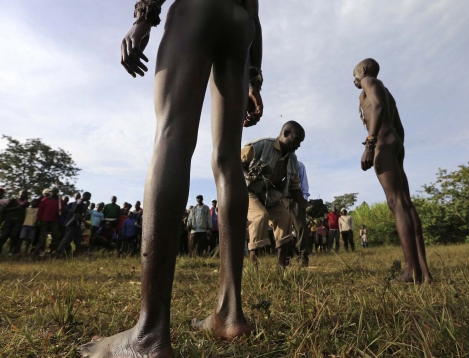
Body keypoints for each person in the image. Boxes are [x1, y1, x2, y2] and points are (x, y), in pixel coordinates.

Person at [79, 0, 262, 354]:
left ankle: (148, 333)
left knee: (172, 136)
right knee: (227, 159)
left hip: (199, 9)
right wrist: (254, 76)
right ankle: (230, 312)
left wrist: (143, 18)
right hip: (242, 27)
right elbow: (254, 13)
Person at [354, 58, 433, 283]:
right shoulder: (387, 91)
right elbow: (399, 127)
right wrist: (397, 148)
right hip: (394, 144)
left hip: (383, 145)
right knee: (405, 203)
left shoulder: (369, 81)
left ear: (364, 69)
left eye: (355, 74)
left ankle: (411, 271)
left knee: (396, 203)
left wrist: (371, 144)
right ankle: (424, 272)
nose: (354, 79)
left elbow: (377, 107)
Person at [242, 121, 308, 268]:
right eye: (297, 140)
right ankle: (254, 266)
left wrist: (306, 205)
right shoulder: (261, 145)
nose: (298, 145)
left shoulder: (293, 159)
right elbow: (235, 162)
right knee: (260, 216)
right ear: (285, 134)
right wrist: (249, 175)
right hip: (249, 191)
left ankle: (281, 266)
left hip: (269, 195)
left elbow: (295, 187)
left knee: (285, 217)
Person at [289, 160, 310, 266]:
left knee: (301, 227)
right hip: (281, 198)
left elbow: (304, 184)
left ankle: (302, 257)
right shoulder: (275, 160)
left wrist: (303, 200)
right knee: (283, 228)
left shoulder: (299, 164)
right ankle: (286, 257)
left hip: (297, 199)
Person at [35, 188, 65, 255]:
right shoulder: (44, 200)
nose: (53, 193)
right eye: (52, 192)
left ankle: (53, 250)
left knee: (55, 235)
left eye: (55, 192)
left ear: (57, 192)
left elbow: (63, 210)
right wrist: (38, 219)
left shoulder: (60, 201)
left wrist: (61, 211)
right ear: (50, 192)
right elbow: (40, 211)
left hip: (55, 220)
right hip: (45, 220)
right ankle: (40, 250)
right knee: (43, 235)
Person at [0, 190, 29, 255]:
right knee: (4, 235)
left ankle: (11, 252)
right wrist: (16, 208)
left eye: (26, 194)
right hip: (9, 220)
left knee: (14, 236)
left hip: (18, 221)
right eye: (23, 193)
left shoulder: (26, 204)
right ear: (19, 194)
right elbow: (5, 209)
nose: (24, 195)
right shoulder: (13, 201)